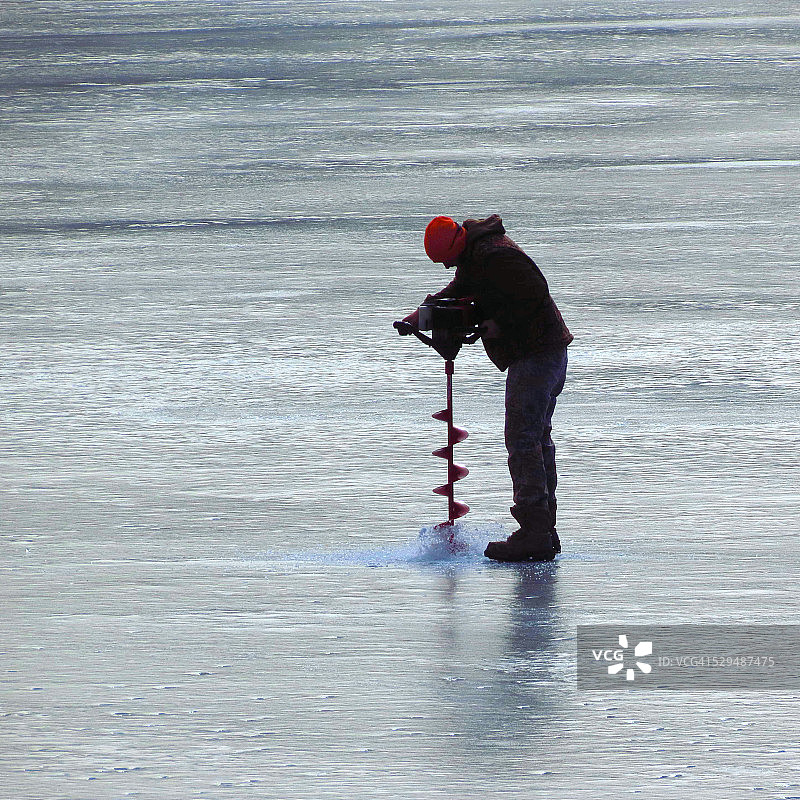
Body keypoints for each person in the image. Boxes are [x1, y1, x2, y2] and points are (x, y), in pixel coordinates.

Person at [403, 215, 573, 562]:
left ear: (456, 245)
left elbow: (535, 294)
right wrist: (421, 316)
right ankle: (543, 529)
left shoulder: (498, 256)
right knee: (535, 438)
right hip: (539, 353)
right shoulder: (475, 255)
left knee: (524, 440)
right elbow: (459, 291)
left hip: (539, 355)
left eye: (447, 259)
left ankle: (534, 532)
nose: (448, 266)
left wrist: (498, 322)